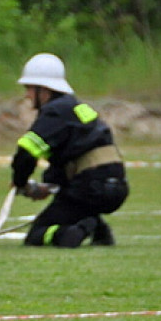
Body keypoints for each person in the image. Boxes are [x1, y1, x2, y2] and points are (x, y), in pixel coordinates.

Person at [11, 53, 129, 247]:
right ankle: (98, 229)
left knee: (37, 235)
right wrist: (46, 187)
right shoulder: (76, 108)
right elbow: (70, 162)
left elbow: (26, 152)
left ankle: (74, 232)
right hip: (115, 187)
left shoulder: (54, 111)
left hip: (90, 189)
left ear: (44, 90)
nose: (26, 95)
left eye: (29, 88)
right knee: (75, 207)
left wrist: (20, 182)